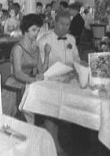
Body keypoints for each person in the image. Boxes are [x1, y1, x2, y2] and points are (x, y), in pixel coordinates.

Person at [38, 11, 80, 155]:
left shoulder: (72, 39)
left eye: (67, 25)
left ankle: (78, 141)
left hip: (69, 79)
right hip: (51, 81)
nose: (64, 28)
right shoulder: (44, 40)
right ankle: (54, 144)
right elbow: (42, 67)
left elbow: (77, 59)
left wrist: (74, 70)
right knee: (52, 110)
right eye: (61, 24)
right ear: (54, 22)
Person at [2, 14, 49, 117]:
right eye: (34, 30)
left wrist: (47, 54)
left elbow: (42, 70)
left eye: (38, 30)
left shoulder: (35, 48)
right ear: (26, 29)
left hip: (29, 83)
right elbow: (17, 73)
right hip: (15, 86)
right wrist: (34, 80)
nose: (36, 33)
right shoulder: (18, 48)